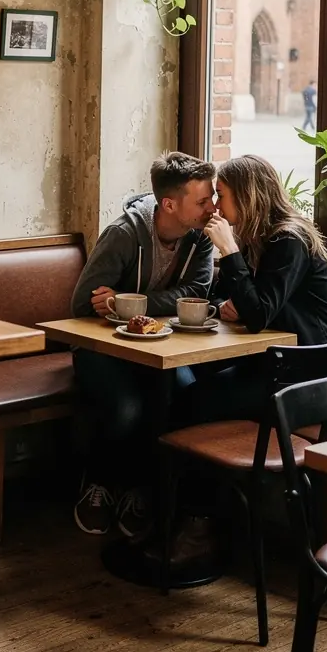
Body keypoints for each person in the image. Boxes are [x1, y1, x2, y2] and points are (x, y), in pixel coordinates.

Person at [69, 153, 216, 538]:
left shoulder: (201, 239)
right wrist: (114, 303)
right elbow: (83, 302)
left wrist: (132, 301)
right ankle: (98, 481)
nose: (212, 207)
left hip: (163, 350)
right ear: (169, 204)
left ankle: (141, 489)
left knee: (186, 398)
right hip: (103, 350)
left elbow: (199, 292)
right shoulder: (124, 233)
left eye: (212, 198)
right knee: (127, 406)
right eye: (202, 201)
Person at [191, 153, 327, 424]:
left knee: (191, 400)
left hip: (312, 370)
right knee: (192, 379)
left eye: (220, 195)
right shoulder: (253, 236)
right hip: (274, 360)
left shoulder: (289, 240)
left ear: (246, 195)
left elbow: (258, 315)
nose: (215, 206)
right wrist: (229, 307)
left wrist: (227, 249)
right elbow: (218, 295)